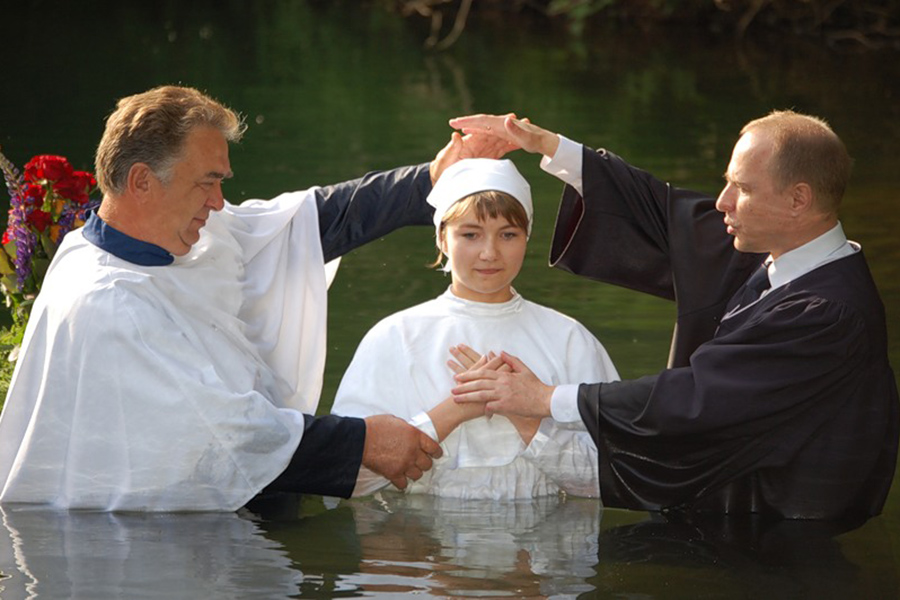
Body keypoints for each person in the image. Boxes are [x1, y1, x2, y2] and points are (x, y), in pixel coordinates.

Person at [0, 85, 508, 512]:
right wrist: (365, 443)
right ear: (141, 182)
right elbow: (223, 436)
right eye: (208, 182)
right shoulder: (108, 305)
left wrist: (438, 178)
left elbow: (313, 222)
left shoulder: (186, 233)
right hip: (125, 545)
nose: (220, 202)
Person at [447, 111, 899, 521]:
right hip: (730, 507)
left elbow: (699, 395)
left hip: (778, 536)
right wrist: (548, 147)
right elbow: (666, 211)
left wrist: (546, 399)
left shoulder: (828, 313)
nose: (722, 201)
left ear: (798, 200)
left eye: (741, 188)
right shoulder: (776, 252)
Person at [331, 158, 618, 499]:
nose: (489, 253)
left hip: (544, 549)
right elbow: (348, 480)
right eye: (470, 234)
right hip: (418, 548)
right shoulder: (395, 337)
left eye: (508, 234)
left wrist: (523, 414)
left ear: (528, 237)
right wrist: (455, 410)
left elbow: (614, 480)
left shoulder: (570, 339)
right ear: (441, 238)